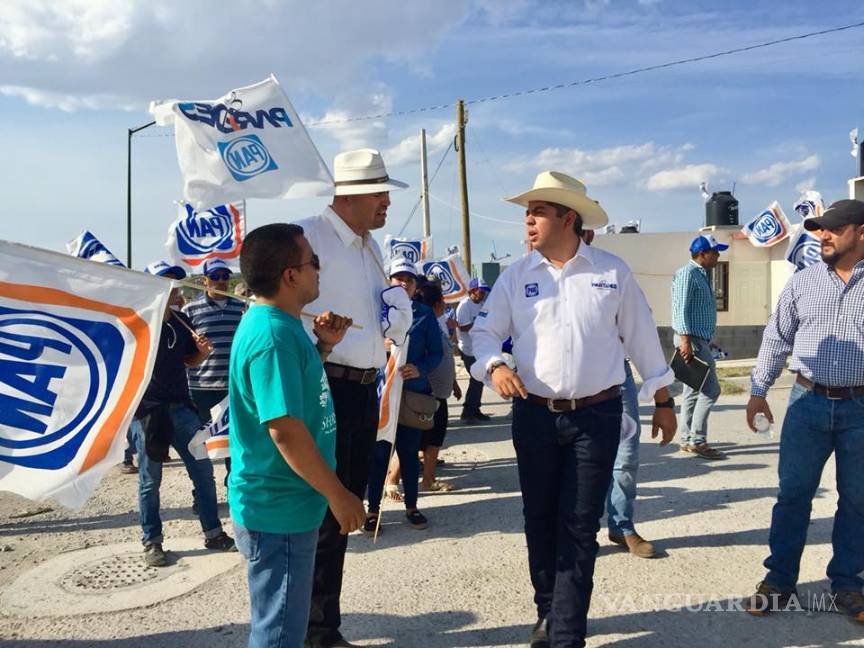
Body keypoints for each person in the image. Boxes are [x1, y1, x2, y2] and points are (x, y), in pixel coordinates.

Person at [470, 171, 677, 648]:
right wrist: (494, 365)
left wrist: (662, 400)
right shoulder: (514, 278)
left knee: (580, 524)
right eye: (527, 212)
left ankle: (567, 634)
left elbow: (642, 338)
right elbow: (482, 334)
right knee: (539, 518)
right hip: (534, 414)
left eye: (538, 211)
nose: (528, 221)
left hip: (596, 417)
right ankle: (548, 609)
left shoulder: (611, 272)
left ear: (568, 217)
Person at [228, 224, 366, 648]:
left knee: (283, 623)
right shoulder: (273, 336)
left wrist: (323, 347)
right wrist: (339, 495)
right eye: (313, 262)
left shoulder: (285, 328)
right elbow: (285, 431)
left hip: (287, 507)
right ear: (291, 275)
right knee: (279, 634)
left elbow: (296, 398)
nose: (318, 271)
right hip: (278, 511)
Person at [295, 148, 407, 648]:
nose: (387, 202)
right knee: (324, 514)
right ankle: (314, 630)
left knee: (347, 512)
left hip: (364, 388)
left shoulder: (370, 248)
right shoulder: (307, 238)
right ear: (354, 194)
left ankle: (323, 625)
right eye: (381, 193)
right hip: (326, 386)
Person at [744, 199, 864, 623]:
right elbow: (777, 337)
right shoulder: (803, 282)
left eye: (833, 228)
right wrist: (758, 390)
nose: (822, 235)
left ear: (861, 232)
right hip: (807, 402)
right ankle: (778, 581)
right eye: (819, 229)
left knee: (858, 500)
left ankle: (849, 585)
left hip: (861, 408)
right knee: (793, 494)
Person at [131, 260, 235, 567]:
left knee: (203, 471)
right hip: (148, 414)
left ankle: (213, 533)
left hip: (181, 408)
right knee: (150, 481)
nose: (173, 288)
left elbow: (188, 362)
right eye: (165, 281)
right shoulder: (138, 324)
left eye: (174, 282)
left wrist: (201, 353)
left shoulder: (178, 321)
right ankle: (152, 541)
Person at [578, 229, 656, 559]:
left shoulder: (613, 273)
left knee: (625, 457)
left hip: (616, 377)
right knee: (580, 462)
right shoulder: (541, 276)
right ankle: (581, 533)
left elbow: (642, 327)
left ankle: (622, 526)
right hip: (572, 383)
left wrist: (662, 396)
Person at [364, 258, 443, 533]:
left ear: (415, 284)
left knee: (409, 454)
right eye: (398, 278)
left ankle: (412, 506)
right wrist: (379, 346)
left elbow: (436, 352)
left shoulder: (424, 314)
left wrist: (418, 369)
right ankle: (373, 510)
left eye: (409, 279)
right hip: (381, 393)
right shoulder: (376, 312)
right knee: (378, 454)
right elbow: (360, 344)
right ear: (389, 282)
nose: (403, 283)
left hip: (411, 395)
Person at [182, 258, 245, 480]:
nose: (221, 281)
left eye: (225, 276)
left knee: (235, 445)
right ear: (205, 280)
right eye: (216, 276)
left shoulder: (242, 307)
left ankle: (233, 488)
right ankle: (201, 494)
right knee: (200, 446)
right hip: (201, 389)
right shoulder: (189, 310)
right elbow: (184, 354)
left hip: (233, 389)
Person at [670, 234, 728, 460]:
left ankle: (687, 439)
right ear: (703, 254)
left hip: (697, 339)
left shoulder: (701, 274)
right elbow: (679, 309)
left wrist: (706, 338)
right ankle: (698, 440)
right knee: (712, 390)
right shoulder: (687, 274)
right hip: (691, 341)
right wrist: (686, 341)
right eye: (715, 252)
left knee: (693, 392)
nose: (718, 256)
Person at [419, 281, 462, 491]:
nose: (445, 304)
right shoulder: (426, 327)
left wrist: (453, 383)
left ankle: (428, 479)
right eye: (443, 300)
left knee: (433, 440)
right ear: (436, 304)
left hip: (440, 394)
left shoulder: (438, 323)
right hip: (428, 395)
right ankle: (392, 481)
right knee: (417, 440)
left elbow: (445, 359)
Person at [456, 278, 492, 424]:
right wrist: (481, 325)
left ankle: (475, 409)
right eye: (480, 291)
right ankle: (468, 411)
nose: (483, 294)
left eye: (484, 291)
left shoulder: (482, 305)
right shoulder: (465, 306)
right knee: (476, 379)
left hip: (480, 347)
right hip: (468, 348)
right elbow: (463, 327)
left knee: (480, 379)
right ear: (472, 291)